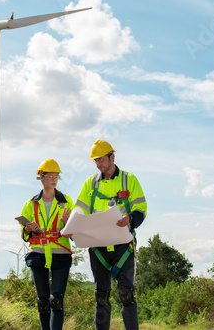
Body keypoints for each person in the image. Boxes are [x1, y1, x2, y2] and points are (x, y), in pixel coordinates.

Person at [75, 140, 147, 330]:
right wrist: (71, 225)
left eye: (101, 160)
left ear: (112, 158)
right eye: (95, 161)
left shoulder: (129, 179)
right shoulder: (89, 183)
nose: (98, 164)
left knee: (126, 294)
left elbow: (141, 209)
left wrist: (130, 218)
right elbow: (79, 212)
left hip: (123, 245)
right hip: (97, 247)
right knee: (101, 296)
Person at [20, 158, 74, 330]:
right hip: (37, 253)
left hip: (61, 253)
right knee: (43, 302)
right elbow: (24, 234)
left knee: (56, 300)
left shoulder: (67, 201)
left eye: (56, 176)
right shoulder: (30, 203)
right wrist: (29, 229)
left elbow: (75, 232)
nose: (53, 179)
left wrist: (68, 224)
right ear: (41, 178)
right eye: (49, 175)